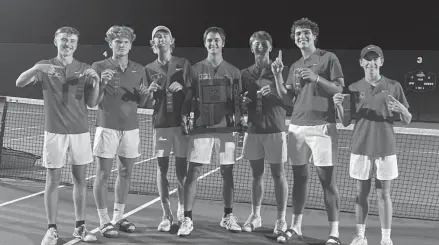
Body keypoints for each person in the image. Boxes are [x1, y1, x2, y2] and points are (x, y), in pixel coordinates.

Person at [16, 26, 99, 245]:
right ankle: (51, 230)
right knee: (52, 180)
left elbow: (91, 103)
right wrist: (38, 67)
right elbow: (20, 82)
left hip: (80, 132)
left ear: (77, 44)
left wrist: (97, 81)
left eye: (72, 40)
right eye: (64, 40)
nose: (68, 44)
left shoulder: (85, 68)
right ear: (55, 41)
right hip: (54, 132)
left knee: (80, 181)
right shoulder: (45, 67)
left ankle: (80, 227)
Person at [272, 18, 344, 245]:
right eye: (297, 35)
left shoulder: (328, 58)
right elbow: (287, 99)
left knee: (327, 181)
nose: (301, 37)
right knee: (299, 179)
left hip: (322, 127)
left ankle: (334, 233)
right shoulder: (293, 66)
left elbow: (339, 88)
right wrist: (277, 75)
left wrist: (317, 78)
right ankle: (296, 227)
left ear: (314, 35)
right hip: (297, 127)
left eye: (305, 33)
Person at [333, 45, 411, 245]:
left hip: (386, 148)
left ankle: (386, 239)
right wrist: (339, 106)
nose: (371, 63)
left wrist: (402, 109)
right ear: (361, 63)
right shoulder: (353, 88)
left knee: (384, 195)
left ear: (381, 62)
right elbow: (345, 122)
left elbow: (407, 119)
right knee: (361, 194)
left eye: (375, 59)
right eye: (367, 60)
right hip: (361, 147)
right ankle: (360, 236)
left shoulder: (394, 86)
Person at [177, 26, 242, 236]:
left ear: (223, 43)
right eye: (209, 41)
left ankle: (228, 216)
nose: (213, 44)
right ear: (205, 43)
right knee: (192, 171)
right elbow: (188, 98)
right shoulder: (195, 69)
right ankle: (187, 218)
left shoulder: (233, 71)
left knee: (227, 173)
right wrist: (186, 118)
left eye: (217, 40)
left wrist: (239, 125)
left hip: (226, 129)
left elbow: (238, 103)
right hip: (201, 128)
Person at [91, 25, 148, 238]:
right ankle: (104, 220)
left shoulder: (139, 69)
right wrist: (102, 83)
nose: (121, 44)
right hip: (106, 127)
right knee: (103, 174)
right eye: (117, 41)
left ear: (130, 44)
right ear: (110, 43)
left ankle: (118, 216)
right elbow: (92, 101)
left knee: (125, 173)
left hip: (131, 129)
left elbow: (142, 102)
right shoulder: (99, 66)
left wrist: (144, 94)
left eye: (125, 41)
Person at [239, 31, 288, 235]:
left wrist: (276, 84)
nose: (260, 46)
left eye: (264, 43)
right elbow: (241, 102)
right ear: (251, 48)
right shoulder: (245, 73)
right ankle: (256, 215)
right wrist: (242, 104)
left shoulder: (277, 69)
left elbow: (287, 98)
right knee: (256, 174)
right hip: (254, 129)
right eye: (256, 43)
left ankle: (281, 220)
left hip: (275, 129)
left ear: (270, 46)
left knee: (278, 175)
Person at [144, 25, 191, 231]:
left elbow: (192, 92)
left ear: (171, 41)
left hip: (180, 126)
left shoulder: (183, 64)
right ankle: (166, 213)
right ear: (152, 44)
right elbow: (147, 102)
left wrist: (183, 90)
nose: (160, 38)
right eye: (156, 36)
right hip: (161, 125)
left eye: (164, 35)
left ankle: (182, 209)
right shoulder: (148, 69)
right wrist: (150, 92)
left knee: (182, 170)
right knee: (162, 169)